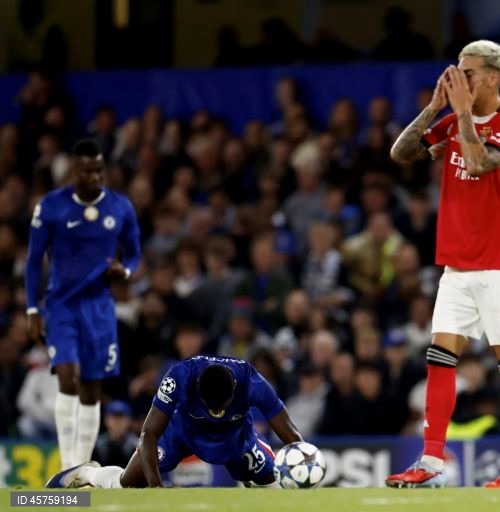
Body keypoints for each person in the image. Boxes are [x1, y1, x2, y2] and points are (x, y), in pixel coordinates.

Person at [384, 40, 500, 489]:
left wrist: (463, 114)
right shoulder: (451, 121)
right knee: (439, 357)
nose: (457, 79)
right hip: (457, 265)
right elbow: (401, 153)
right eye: (455, 71)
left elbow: (479, 161)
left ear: (492, 78)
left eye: (467, 73)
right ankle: (432, 461)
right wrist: (435, 107)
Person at [25, 139, 141, 471]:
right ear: (75, 170)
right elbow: (34, 260)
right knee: (67, 377)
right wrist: (33, 309)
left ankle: (82, 468)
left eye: (99, 170)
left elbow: (133, 252)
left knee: (91, 387)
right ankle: (67, 466)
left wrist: (125, 270)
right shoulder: (51, 206)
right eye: (88, 170)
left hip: (99, 308)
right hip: (61, 305)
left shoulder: (120, 207)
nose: (95, 177)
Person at [46, 355, 303, 488]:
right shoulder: (179, 377)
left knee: (272, 485)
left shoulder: (252, 381)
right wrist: (156, 486)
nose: (215, 413)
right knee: (126, 485)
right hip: (180, 434)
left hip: (235, 438)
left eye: (221, 407)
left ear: (235, 390)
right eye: (210, 406)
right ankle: (87, 473)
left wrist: (304, 459)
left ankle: (249, 477)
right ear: (197, 388)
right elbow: (148, 433)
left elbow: (289, 431)